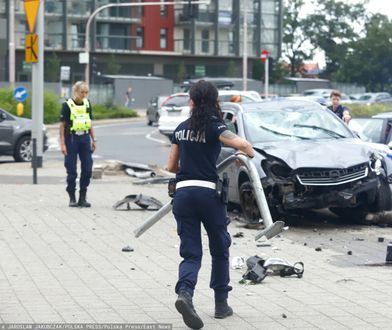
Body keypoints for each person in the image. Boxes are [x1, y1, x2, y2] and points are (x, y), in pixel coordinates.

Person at [166, 80, 255, 329]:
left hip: (182, 195)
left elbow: (171, 167)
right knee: (219, 248)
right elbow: (243, 145)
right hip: (208, 195)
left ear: (192, 102)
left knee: (191, 252)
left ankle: (185, 294)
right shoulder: (216, 126)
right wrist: (245, 156)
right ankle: (220, 304)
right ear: (214, 101)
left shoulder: (181, 129)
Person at [59, 81, 96, 207]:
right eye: (82, 92)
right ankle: (72, 198)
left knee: (87, 169)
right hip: (72, 139)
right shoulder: (67, 105)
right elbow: (62, 126)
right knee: (72, 171)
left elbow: (90, 123)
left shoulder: (87, 104)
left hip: (85, 138)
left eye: (86, 92)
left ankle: (82, 197)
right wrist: (63, 144)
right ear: (76, 91)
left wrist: (93, 140)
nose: (84, 95)